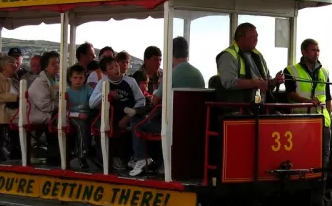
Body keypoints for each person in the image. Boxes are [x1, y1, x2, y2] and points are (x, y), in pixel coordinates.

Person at [128, 36, 206, 177]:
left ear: (171, 53)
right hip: (194, 123)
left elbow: (155, 101)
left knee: (136, 123)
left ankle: (140, 159)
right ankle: (161, 163)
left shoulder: (170, 74)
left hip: (171, 124)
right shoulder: (198, 74)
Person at [89, 55, 146, 170]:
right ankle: (106, 160)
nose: (116, 69)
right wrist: (106, 93)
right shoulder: (103, 83)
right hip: (110, 117)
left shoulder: (130, 81)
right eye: (111, 67)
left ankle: (134, 159)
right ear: (105, 72)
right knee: (99, 126)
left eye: (116, 65)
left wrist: (127, 118)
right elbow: (91, 103)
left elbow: (141, 101)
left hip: (128, 116)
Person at [284, 38, 332, 165]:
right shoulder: (290, 70)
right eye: (313, 50)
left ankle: (322, 183)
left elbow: (328, 97)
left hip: (323, 122)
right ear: (304, 52)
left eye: (318, 50)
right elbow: (290, 94)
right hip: (300, 120)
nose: (316, 53)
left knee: (323, 159)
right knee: (300, 156)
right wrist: (308, 101)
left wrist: (330, 119)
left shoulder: (325, 72)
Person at [215, 22, 284, 105]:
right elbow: (229, 82)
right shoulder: (228, 55)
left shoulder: (258, 55)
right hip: (239, 109)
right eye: (252, 37)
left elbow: (265, 85)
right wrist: (256, 83)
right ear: (241, 38)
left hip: (261, 107)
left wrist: (274, 81)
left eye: (256, 36)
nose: (256, 40)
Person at [0, 55, 22, 161]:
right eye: (12, 63)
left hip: (17, 110)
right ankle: (1, 154)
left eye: (16, 63)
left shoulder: (15, 79)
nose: (15, 65)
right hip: (3, 111)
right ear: (3, 66)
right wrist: (16, 97)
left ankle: (17, 153)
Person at [65, 64, 94, 169]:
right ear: (70, 78)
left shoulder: (87, 89)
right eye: (75, 78)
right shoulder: (67, 92)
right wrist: (77, 114)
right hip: (72, 116)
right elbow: (64, 111)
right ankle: (82, 156)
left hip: (87, 114)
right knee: (81, 126)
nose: (78, 80)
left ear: (85, 78)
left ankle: (95, 154)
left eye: (81, 78)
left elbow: (94, 100)